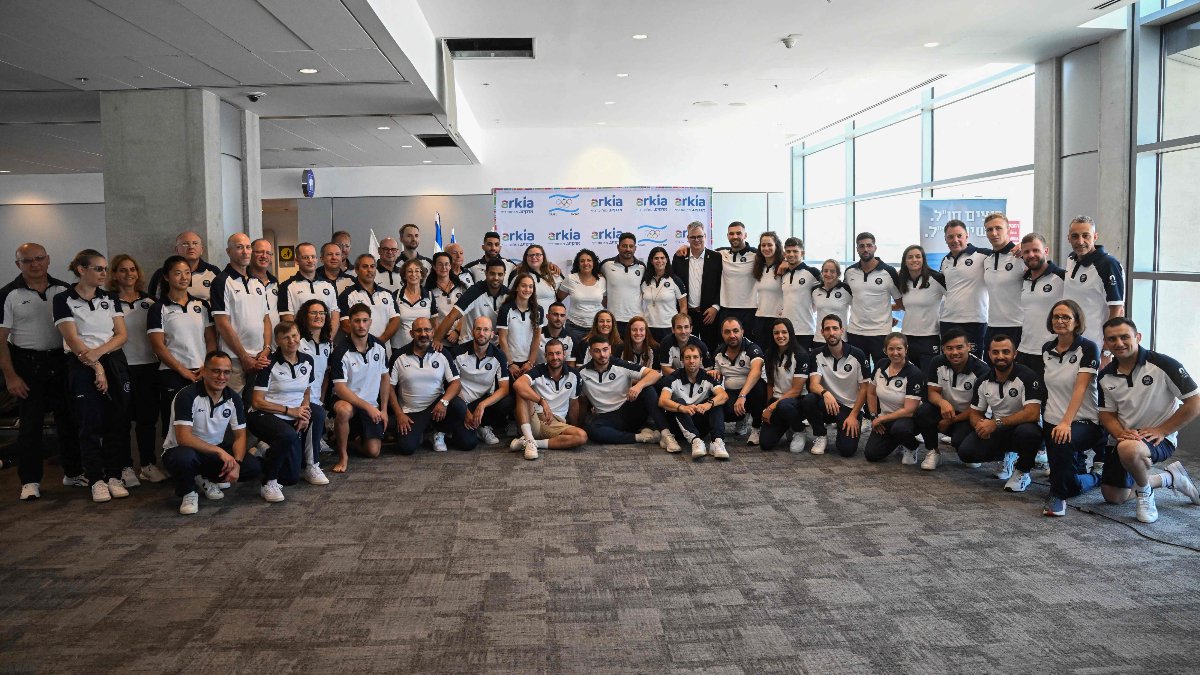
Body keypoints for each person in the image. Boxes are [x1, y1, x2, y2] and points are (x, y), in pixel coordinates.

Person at [1097, 317, 1199, 524]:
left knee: (1129, 450)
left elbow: (1194, 402)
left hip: (1159, 438)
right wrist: (1119, 433)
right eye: (1112, 339)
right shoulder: (1105, 376)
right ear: (1106, 343)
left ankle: (1145, 494)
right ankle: (1170, 478)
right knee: (1114, 497)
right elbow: (1107, 414)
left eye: (1125, 337)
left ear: (1138, 337)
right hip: (1124, 438)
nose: (1119, 343)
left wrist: (1162, 430)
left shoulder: (1164, 364)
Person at [53, 249, 132, 503]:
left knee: (116, 422)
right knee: (89, 423)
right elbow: (73, 339)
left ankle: (113, 475)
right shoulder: (63, 299)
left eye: (105, 269)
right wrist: (96, 367)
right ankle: (96, 479)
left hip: (111, 360)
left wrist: (99, 356)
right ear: (81, 270)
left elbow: (121, 335)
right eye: (98, 268)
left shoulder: (109, 298)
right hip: (80, 364)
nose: (104, 274)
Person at [4, 244, 80, 501]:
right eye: (27, 261)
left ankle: (73, 472)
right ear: (18, 265)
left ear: (48, 260)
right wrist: (10, 376)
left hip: (61, 361)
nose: (34, 265)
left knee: (69, 420)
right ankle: (30, 481)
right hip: (27, 365)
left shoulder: (64, 290)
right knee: (30, 427)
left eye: (39, 259)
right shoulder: (8, 294)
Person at [161, 351, 260, 515]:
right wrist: (220, 452)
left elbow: (240, 436)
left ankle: (202, 476)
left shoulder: (233, 398)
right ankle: (189, 492)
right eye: (216, 371)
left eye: (226, 372)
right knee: (184, 458)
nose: (222, 377)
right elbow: (183, 437)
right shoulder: (187, 396)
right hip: (181, 450)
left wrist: (237, 464)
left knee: (252, 467)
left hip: (211, 452)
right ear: (204, 371)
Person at [1039, 300, 1105, 517]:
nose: (1060, 321)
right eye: (1056, 316)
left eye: (1066, 317)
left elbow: (1080, 388)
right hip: (1052, 419)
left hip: (1083, 420)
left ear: (1077, 321)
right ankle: (1084, 478)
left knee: (1061, 461)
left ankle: (1058, 497)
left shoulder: (1088, 348)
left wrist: (1066, 422)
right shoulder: (1047, 349)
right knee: (1063, 474)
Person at [960, 334, 1045, 492]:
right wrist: (980, 425)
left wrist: (995, 423)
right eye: (996, 352)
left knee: (1028, 433)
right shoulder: (983, 381)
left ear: (1015, 354)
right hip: (999, 428)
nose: (1000, 356)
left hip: (1024, 428)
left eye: (1006, 352)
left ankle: (1022, 471)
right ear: (989, 354)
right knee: (967, 452)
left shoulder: (1028, 376)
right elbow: (974, 413)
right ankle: (1007, 456)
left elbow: (1032, 413)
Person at [248, 321, 322, 503]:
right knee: (287, 435)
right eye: (286, 338)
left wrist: (304, 411)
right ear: (277, 341)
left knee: (290, 478)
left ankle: (312, 465)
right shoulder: (268, 363)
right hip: (265, 414)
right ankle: (268, 483)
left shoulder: (308, 360)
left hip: (294, 412)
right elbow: (257, 401)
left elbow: (306, 390)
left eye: (294, 336)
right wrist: (291, 411)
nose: (291, 341)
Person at [148, 255, 218, 444]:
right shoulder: (158, 308)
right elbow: (158, 346)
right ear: (166, 277)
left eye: (187, 273)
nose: (184, 277)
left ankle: (200, 466)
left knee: (202, 421)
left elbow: (210, 340)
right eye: (177, 273)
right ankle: (176, 463)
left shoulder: (201, 305)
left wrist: (206, 367)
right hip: (173, 373)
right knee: (175, 422)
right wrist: (182, 370)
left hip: (201, 372)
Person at [108, 254, 164, 484]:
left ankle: (148, 464)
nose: (128, 274)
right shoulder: (108, 302)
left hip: (148, 368)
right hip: (121, 369)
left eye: (132, 269)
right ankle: (125, 467)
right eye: (122, 270)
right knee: (121, 421)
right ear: (114, 274)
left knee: (147, 420)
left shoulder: (149, 303)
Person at [388, 317, 474, 454]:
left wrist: (444, 402)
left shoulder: (442, 353)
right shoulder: (399, 356)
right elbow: (389, 388)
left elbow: (456, 383)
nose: (423, 334)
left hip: (437, 408)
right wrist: (399, 414)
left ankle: (440, 432)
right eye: (418, 330)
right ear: (411, 334)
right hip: (412, 412)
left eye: (427, 330)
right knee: (406, 448)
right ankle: (423, 431)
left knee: (459, 409)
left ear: (433, 332)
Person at [579, 334, 677, 451]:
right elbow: (582, 401)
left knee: (647, 389)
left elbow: (655, 374)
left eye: (605, 350)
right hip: (607, 418)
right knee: (592, 430)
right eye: (597, 351)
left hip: (629, 411)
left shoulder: (620, 364)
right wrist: (577, 424)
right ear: (590, 352)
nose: (602, 355)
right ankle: (641, 437)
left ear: (610, 349)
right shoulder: (582, 373)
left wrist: (638, 386)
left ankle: (666, 435)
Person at [914, 329, 990, 471]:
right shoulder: (937, 362)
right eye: (949, 348)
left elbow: (979, 408)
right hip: (945, 410)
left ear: (969, 347)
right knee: (924, 411)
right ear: (943, 349)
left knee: (965, 451)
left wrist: (951, 420)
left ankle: (962, 443)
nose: (954, 352)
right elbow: (932, 393)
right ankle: (933, 451)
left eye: (959, 347)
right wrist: (942, 402)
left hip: (968, 415)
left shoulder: (982, 370)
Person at [329, 303, 390, 471]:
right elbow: (340, 389)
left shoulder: (379, 346)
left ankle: (348, 441)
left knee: (373, 451)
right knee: (344, 410)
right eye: (357, 321)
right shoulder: (340, 351)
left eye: (365, 321)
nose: (361, 325)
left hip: (370, 403)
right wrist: (368, 408)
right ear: (349, 323)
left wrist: (384, 409)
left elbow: (385, 377)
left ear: (370, 322)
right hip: (346, 400)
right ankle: (343, 456)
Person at [210, 233, 271, 395]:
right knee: (233, 408)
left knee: (255, 407)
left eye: (248, 247)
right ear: (228, 251)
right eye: (239, 247)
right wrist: (244, 357)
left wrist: (266, 349)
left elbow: (265, 319)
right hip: (234, 358)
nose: (245, 252)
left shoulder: (257, 282)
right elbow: (222, 324)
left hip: (259, 357)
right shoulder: (222, 281)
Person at [803, 314, 870, 457]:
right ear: (822, 332)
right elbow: (814, 385)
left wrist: (854, 415)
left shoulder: (858, 355)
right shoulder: (816, 354)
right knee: (809, 400)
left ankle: (842, 426)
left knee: (847, 450)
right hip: (829, 404)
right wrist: (826, 393)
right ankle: (821, 436)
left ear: (842, 330)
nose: (831, 332)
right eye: (827, 329)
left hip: (850, 408)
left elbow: (865, 388)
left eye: (835, 328)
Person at [510, 339, 587, 460]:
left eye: (558, 353)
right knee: (522, 390)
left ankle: (532, 443)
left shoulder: (574, 375)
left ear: (564, 354)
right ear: (545, 356)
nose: (555, 357)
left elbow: (573, 405)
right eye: (550, 354)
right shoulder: (538, 370)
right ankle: (529, 439)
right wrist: (542, 401)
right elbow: (518, 384)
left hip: (555, 422)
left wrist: (574, 426)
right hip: (533, 418)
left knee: (581, 436)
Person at [1062, 215, 1125, 348]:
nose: (1080, 241)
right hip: (1071, 342)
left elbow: (1117, 309)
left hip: (1095, 345)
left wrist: (1107, 349)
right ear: (1068, 238)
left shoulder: (1108, 264)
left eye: (1086, 235)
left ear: (1095, 237)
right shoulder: (1071, 259)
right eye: (1075, 236)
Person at [658, 343, 729, 459]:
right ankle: (695, 441)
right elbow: (662, 401)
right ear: (682, 361)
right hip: (679, 426)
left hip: (701, 422)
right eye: (688, 357)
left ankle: (717, 442)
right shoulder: (673, 378)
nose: (692, 361)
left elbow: (724, 396)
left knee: (715, 402)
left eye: (695, 357)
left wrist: (708, 404)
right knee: (679, 401)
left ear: (701, 360)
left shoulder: (708, 377)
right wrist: (682, 407)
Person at [453, 316, 514, 447]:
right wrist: (465, 411)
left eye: (486, 330)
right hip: (461, 401)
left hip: (482, 402)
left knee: (508, 400)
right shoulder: (457, 353)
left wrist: (482, 405)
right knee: (467, 444)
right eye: (478, 329)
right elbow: (453, 386)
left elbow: (504, 389)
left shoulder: (499, 355)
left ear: (492, 334)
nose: (482, 333)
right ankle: (447, 429)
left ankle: (483, 426)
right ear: (472, 331)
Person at [863, 334, 924, 464]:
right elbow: (871, 393)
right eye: (891, 349)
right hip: (886, 418)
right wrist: (874, 416)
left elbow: (909, 410)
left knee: (899, 429)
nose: (895, 353)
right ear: (885, 350)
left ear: (906, 349)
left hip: (908, 420)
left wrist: (881, 419)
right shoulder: (880, 365)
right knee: (871, 454)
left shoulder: (914, 373)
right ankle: (899, 440)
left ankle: (912, 447)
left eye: (899, 349)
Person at [844, 232, 900, 368]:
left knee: (883, 372)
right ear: (857, 249)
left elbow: (901, 303)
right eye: (861, 246)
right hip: (855, 332)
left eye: (869, 245)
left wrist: (885, 309)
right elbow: (848, 299)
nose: (865, 249)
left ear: (875, 248)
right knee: (858, 374)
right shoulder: (849, 272)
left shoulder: (889, 272)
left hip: (880, 333)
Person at [760, 318, 816, 453]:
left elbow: (796, 391)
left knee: (784, 406)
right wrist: (768, 406)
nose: (780, 336)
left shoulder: (801, 355)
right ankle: (788, 424)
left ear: (790, 333)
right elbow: (770, 383)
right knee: (765, 444)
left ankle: (799, 429)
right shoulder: (769, 354)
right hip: (777, 400)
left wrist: (772, 407)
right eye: (776, 333)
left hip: (796, 402)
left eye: (784, 332)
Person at [939, 219, 991, 358]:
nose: (955, 240)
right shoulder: (945, 261)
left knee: (974, 364)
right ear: (945, 239)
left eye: (959, 236)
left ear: (966, 236)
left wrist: (1019, 247)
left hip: (974, 321)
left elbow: (1005, 254)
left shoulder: (983, 255)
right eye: (950, 237)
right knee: (948, 362)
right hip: (948, 321)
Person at [296, 299, 334, 483]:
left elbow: (325, 375)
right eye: (313, 313)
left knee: (318, 412)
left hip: (316, 398)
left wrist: (322, 399)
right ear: (305, 316)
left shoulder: (328, 344)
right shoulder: (298, 341)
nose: (318, 317)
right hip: (298, 399)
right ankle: (313, 466)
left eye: (322, 313)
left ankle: (311, 461)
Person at [712, 317, 766, 445]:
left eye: (736, 331)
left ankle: (756, 427)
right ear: (722, 334)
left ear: (742, 331)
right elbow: (715, 374)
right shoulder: (719, 352)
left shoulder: (753, 348)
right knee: (722, 407)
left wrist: (742, 395)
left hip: (751, 392)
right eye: (727, 332)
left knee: (759, 387)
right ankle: (741, 418)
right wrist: (715, 373)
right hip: (731, 392)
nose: (732, 335)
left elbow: (756, 371)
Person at [1016, 233, 1064, 374]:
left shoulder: (1062, 277)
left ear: (1046, 251)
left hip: (1051, 351)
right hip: (1024, 350)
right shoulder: (1024, 279)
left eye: (1036, 250)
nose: (1031, 255)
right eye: (1026, 252)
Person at [435, 258, 508, 348]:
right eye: (492, 273)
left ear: (504, 275)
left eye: (500, 274)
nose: (496, 278)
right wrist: (436, 340)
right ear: (486, 273)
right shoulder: (474, 292)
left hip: (493, 347)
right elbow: (452, 316)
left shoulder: (508, 295)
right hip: (468, 345)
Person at [672, 221, 722, 350]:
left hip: (709, 314)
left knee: (710, 349)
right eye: (693, 237)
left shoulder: (716, 257)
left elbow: (722, 285)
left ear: (705, 236)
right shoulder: (679, 258)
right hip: (687, 314)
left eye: (700, 236)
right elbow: (674, 285)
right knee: (686, 350)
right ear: (688, 238)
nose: (697, 240)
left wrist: (715, 307)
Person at [897, 245, 946, 373]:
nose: (914, 260)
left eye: (918, 256)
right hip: (907, 337)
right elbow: (904, 305)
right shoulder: (902, 281)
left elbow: (954, 298)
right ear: (905, 261)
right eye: (910, 257)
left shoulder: (936, 278)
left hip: (929, 337)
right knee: (911, 379)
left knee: (928, 379)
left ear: (923, 259)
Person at [982, 214, 1026, 354]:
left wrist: (1023, 247)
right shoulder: (987, 260)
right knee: (993, 373)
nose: (994, 233)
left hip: (1017, 326)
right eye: (989, 230)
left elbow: (1041, 258)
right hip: (992, 326)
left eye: (998, 228)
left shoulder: (1021, 256)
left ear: (1008, 229)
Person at [337, 253, 400, 346]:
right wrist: (367, 343)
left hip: (384, 349)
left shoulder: (387, 294)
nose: (369, 270)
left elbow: (395, 320)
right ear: (357, 270)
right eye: (365, 267)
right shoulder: (347, 295)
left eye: (372, 266)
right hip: (358, 350)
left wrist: (380, 341)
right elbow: (346, 325)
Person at [147, 231, 222, 301]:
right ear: (177, 250)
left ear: (201, 250)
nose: (191, 247)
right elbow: (152, 301)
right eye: (185, 244)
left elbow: (222, 302)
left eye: (195, 243)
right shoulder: (162, 273)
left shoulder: (213, 272)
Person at [278, 242, 339, 326]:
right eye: (305, 257)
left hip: (325, 338)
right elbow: (288, 320)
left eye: (313, 257)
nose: (310, 260)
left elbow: (335, 317)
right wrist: (298, 339)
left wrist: (328, 339)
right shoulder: (286, 286)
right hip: (299, 338)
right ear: (296, 260)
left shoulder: (329, 285)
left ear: (317, 259)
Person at [716, 221, 758, 342]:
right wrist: (687, 247)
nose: (735, 236)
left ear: (745, 235)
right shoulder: (721, 253)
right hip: (726, 309)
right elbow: (701, 250)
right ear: (727, 236)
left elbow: (775, 254)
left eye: (739, 233)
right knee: (725, 345)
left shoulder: (757, 254)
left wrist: (785, 261)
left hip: (750, 310)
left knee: (748, 346)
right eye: (731, 233)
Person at [497, 273, 542, 381]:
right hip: (510, 362)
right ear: (517, 287)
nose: (527, 289)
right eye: (524, 286)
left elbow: (537, 337)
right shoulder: (505, 309)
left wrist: (530, 362)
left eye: (530, 286)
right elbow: (502, 339)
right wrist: (510, 363)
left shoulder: (538, 310)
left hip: (528, 363)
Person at [601, 233, 646, 336]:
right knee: (614, 351)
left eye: (631, 246)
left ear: (635, 248)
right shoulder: (606, 265)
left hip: (636, 320)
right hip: (613, 319)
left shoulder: (642, 267)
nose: (628, 249)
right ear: (618, 247)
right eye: (624, 246)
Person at [779, 237, 822, 347]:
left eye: (795, 251)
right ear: (785, 254)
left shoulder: (812, 272)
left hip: (806, 330)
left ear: (802, 253)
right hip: (786, 331)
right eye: (788, 251)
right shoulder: (784, 274)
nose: (791, 254)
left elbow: (826, 291)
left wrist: (814, 308)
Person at [556, 248, 606, 341]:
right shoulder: (570, 279)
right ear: (578, 264)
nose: (586, 263)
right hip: (574, 328)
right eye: (582, 261)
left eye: (589, 260)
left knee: (596, 355)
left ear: (594, 263)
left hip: (596, 329)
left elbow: (606, 303)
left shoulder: (602, 280)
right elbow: (557, 299)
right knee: (574, 355)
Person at [641, 246, 686, 343]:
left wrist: (680, 326)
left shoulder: (675, 280)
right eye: (656, 258)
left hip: (669, 327)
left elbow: (683, 306)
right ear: (651, 261)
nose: (659, 261)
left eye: (662, 258)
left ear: (666, 260)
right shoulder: (645, 281)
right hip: (649, 327)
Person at [426, 252, 470, 345]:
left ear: (450, 266)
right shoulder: (428, 291)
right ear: (434, 267)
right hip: (439, 341)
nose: (444, 268)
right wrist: (440, 336)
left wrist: (457, 331)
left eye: (446, 264)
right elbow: (431, 317)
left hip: (461, 337)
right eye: (440, 264)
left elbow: (467, 312)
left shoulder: (461, 287)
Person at [392, 258, 435, 351]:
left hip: (424, 346)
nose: (414, 274)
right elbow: (391, 323)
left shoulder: (430, 296)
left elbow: (434, 323)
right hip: (400, 348)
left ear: (421, 275)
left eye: (417, 271)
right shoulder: (396, 296)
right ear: (404, 275)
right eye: (409, 271)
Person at [751, 231, 784, 344]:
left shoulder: (783, 267)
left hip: (777, 319)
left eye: (770, 245)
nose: (766, 248)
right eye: (763, 245)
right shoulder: (759, 267)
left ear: (777, 246)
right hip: (760, 317)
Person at [655, 313, 712, 377]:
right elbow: (665, 370)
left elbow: (709, 371)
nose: (683, 331)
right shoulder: (666, 342)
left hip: (696, 379)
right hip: (675, 379)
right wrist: (684, 377)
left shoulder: (700, 345)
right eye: (679, 327)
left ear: (691, 329)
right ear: (673, 330)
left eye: (686, 327)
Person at [509, 244, 563, 310]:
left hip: (549, 318)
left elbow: (561, 296)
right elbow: (511, 297)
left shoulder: (554, 274)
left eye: (538, 255)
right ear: (526, 258)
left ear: (543, 257)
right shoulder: (518, 276)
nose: (534, 257)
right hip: (527, 318)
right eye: (531, 255)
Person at [811, 259, 852, 345]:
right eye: (825, 271)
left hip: (840, 339)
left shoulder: (846, 290)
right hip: (820, 339)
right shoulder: (815, 291)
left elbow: (857, 309)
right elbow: (811, 310)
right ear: (822, 272)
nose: (828, 274)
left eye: (832, 271)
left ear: (838, 274)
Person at [249, 238, 280, 331]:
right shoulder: (242, 281)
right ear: (250, 253)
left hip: (275, 342)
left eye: (268, 253)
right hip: (251, 343)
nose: (264, 256)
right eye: (259, 252)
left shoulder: (275, 283)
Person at [538, 302, 575, 368]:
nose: (559, 319)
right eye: (555, 315)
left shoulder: (571, 338)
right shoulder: (537, 335)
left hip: (560, 376)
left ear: (565, 318)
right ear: (547, 316)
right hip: (538, 375)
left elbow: (570, 365)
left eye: (562, 315)